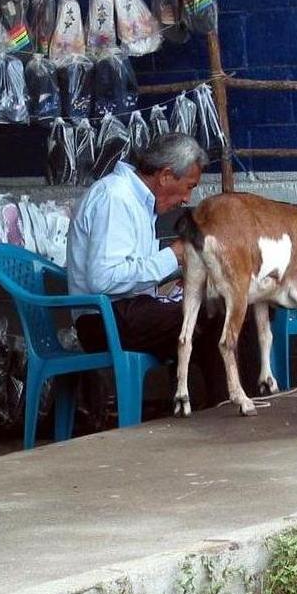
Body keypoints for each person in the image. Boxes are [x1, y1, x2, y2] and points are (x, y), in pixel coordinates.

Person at [67, 132, 256, 410]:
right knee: (219, 313)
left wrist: (177, 282)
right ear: (166, 176)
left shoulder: (136, 201)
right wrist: (175, 255)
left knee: (230, 307)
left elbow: (130, 270)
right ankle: (231, 406)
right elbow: (103, 279)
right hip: (105, 320)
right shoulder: (115, 198)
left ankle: (225, 403)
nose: (187, 199)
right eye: (189, 187)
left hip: (129, 310)